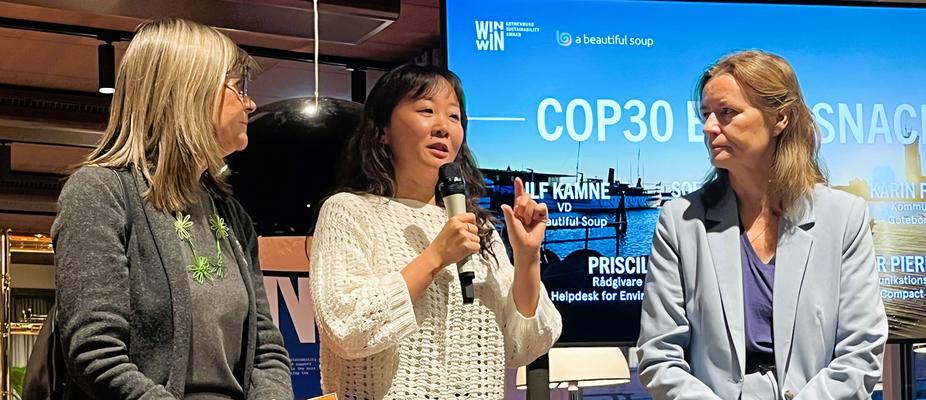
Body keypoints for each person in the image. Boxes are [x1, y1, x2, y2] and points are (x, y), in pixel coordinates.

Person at [52, 17, 292, 399]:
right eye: (238, 86)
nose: (250, 103)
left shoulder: (232, 215)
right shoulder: (100, 192)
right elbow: (96, 354)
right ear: (190, 91)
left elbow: (267, 351)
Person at [637, 50, 888, 399]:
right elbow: (659, 356)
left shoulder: (844, 216)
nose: (709, 127)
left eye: (727, 112)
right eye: (706, 114)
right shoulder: (680, 221)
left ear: (780, 118)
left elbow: (861, 352)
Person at [309, 64, 562, 398]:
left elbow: (523, 346)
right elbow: (345, 326)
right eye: (427, 111)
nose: (443, 127)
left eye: (454, 117)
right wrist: (436, 256)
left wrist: (528, 256)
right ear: (383, 130)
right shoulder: (349, 211)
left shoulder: (477, 227)